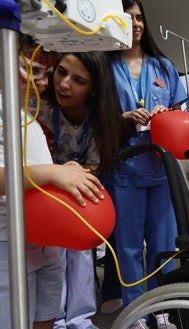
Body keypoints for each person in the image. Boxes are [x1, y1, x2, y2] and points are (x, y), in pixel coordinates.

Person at [0, 36, 105, 329]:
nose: (43, 82)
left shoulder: (27, 114)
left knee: (45, 318)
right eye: (31, 70)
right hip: (8, 243)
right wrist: (52, 173)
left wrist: (61, 170)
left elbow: (32, 170)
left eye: (44, 73)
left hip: (43, 241)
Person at [102, 0, 187, 328]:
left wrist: (168, 117)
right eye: (127, 18)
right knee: (128, 247)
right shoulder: (105, 67)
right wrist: (124, 117)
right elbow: (99, 119)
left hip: (161, 170)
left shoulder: (164, 66)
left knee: (164, 246)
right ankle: (135, 313)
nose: (135, 23)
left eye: (139, 18)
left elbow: (183, 116)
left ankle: (162, 311)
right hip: (124, 170)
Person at [35, 51, 129, 329]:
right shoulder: (37, 107)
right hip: (41, 194)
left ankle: (80, 319)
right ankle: (56, 320)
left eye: (78, 80)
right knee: (50, 260)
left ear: (94, 89)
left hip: (77, 195)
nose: (64, 84)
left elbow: (96, 164)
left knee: (79, 255)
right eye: (61, 72)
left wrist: (72, 175)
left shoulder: (101, 119)